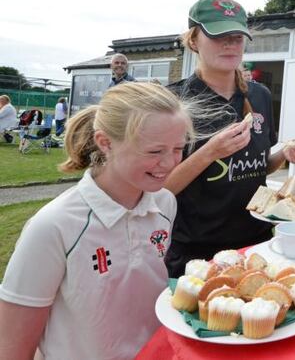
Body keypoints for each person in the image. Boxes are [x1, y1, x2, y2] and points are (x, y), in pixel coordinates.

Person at [0, 82, 193, 360]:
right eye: (154, 151)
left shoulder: (164, 203)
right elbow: (13, 348)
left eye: (178, 148)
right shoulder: (53, 226)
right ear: (105, 142)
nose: (170, 163)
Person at [164, 0, 295, 277]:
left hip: (258, 246)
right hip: (198, 254)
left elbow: (258, 167)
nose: (230, 44)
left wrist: (284, 153)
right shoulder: (173, 100)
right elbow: (161, 189)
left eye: (237, 36)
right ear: (193, 40)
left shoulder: (259, 95)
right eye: (219, 36)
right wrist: (210, 152)